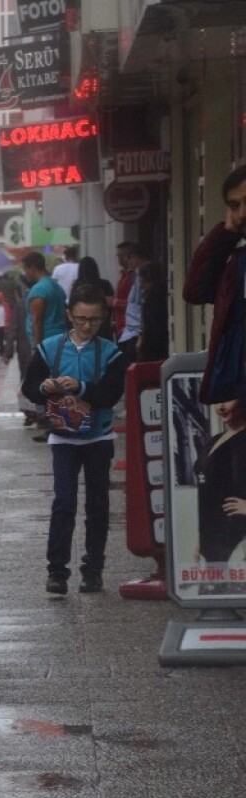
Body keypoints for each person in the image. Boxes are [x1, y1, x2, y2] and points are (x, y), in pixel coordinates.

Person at [21, 285, 128, 595]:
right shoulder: (48, 349)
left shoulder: (112, 353)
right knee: (64, 502)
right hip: (63, 438)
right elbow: (29, 388)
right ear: (69, 314)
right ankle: (57, 571)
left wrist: (80, 387)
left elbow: (111, 395)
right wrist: (44, 387)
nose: (86, 325)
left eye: (94, 320)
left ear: (104, 318)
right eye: (80, 318)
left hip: (99, 436)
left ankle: (93, 569)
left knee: (97, 504)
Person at [184, 165, 246, 404]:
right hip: (236, 388)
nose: (241, 214)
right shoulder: (237, 259)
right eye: (234, 206)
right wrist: (225, 233)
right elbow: (195, 290)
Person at [195, 397, 246, 569]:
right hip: (213, 545)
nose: (221, 407)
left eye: (228, 400)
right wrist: (202, 542)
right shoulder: (214, 440)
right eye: (217, 401)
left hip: (237, 542)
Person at [22, 252, 67, 438]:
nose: (26, 273)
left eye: (26, 269)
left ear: (32, 268)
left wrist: (37, 347)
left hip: (46, 343)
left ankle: (52, 425)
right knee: (56, 384)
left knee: (47, 386)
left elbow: (37, 320)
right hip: (60, 339)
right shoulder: (56, 287)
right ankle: (57, 423)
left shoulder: (39, 291)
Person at [133, 247, 169, 362]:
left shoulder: (152, 296)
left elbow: (149, 321)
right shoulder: (157, 292)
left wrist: (141, 338)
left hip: (153, 342)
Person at [114, 242, 140, 359]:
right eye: (118, 255)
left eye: (122, 255)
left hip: (129, 328)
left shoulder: (134, 276)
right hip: (121, 326)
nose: (120, 259)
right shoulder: (124, 275)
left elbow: (135, 303)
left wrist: (115, 303)